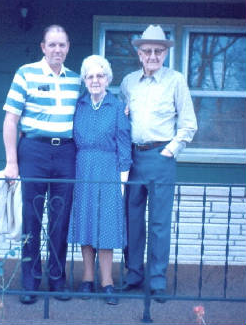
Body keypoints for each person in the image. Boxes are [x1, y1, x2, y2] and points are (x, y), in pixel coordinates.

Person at [2, 25, 81, 304]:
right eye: (52, 45)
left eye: (62, 45)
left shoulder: (76, 80)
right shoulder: (26, 73)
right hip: (33, 151)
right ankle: (30, 282)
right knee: (32, 218)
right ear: (43, 47)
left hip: (65, 154)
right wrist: (12, 162)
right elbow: (11, 119)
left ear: (68, 47)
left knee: (60, 220)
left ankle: (57, 280)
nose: (57, 50)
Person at [119, 25, 197, 302]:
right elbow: (121, 119)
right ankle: (133, 274)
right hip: (133, 158)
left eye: (158, 51)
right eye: (147, 51)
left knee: (160, 222)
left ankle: (157, 279)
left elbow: (188, 124)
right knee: (132, 219)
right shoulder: (128, 82)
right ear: (139, 53)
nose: (153, 55)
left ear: (165, 53)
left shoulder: (175, 80)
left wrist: (170, 150)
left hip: (161, 156)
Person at [68, 55, 132, 305]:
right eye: (90, 76)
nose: (95, 80)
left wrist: (123, 180)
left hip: (108, 171)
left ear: (107, 79)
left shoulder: (117, 107)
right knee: (85, 223)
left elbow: (124, 143)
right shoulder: (79, 105)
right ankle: (86, 279)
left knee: (106, 225)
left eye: (100, 75)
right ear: (84, 80)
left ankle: (107, 281)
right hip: (82, 169)